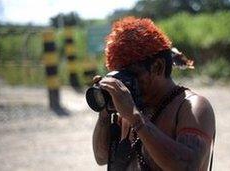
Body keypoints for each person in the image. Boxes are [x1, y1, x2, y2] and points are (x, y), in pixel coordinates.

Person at [92, 17, 215, 171]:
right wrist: (104, 112)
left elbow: (188, 167)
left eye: (130, 75)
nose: (124, 83)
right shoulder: (129, 108)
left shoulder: (192, 107)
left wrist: (135, 117)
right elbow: (102, 157)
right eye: (119, 75)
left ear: (158, 67)